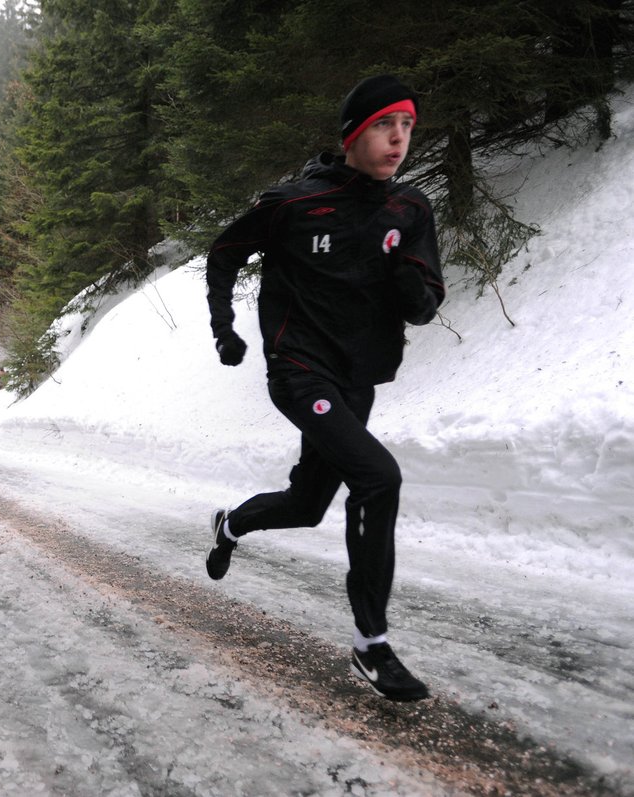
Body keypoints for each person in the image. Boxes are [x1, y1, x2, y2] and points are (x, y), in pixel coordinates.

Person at [204, 75, 445, 702]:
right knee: (377, 476)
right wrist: (225, 330)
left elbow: (424, 306)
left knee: (308, 504)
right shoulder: (293, 204)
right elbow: (224, 251)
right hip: (298, 368)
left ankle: (230, 524)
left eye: (408, 126)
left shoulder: (410, 211)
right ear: (352, 134)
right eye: (384, 125)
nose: (398, 138)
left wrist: (405, 277)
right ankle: (372, 645)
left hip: (356, 377)